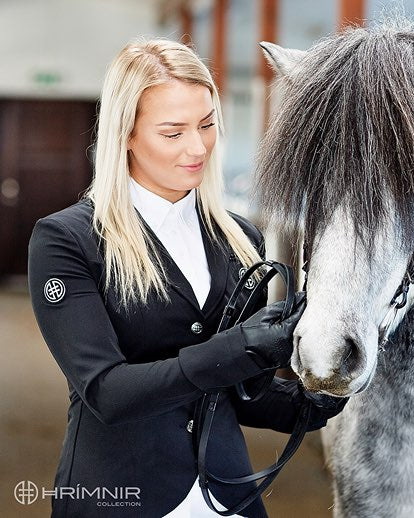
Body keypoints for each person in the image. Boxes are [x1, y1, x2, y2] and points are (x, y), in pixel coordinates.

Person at [28, 39, 346, 518]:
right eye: (173, 132)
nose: (197, 148)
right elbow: (107, 393)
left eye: (207, 124)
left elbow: (244, 396)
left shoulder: (240, 240)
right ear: (126, 134)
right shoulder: (66, 240)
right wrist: (243, 347)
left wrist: (322, 388)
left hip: (227, 495)